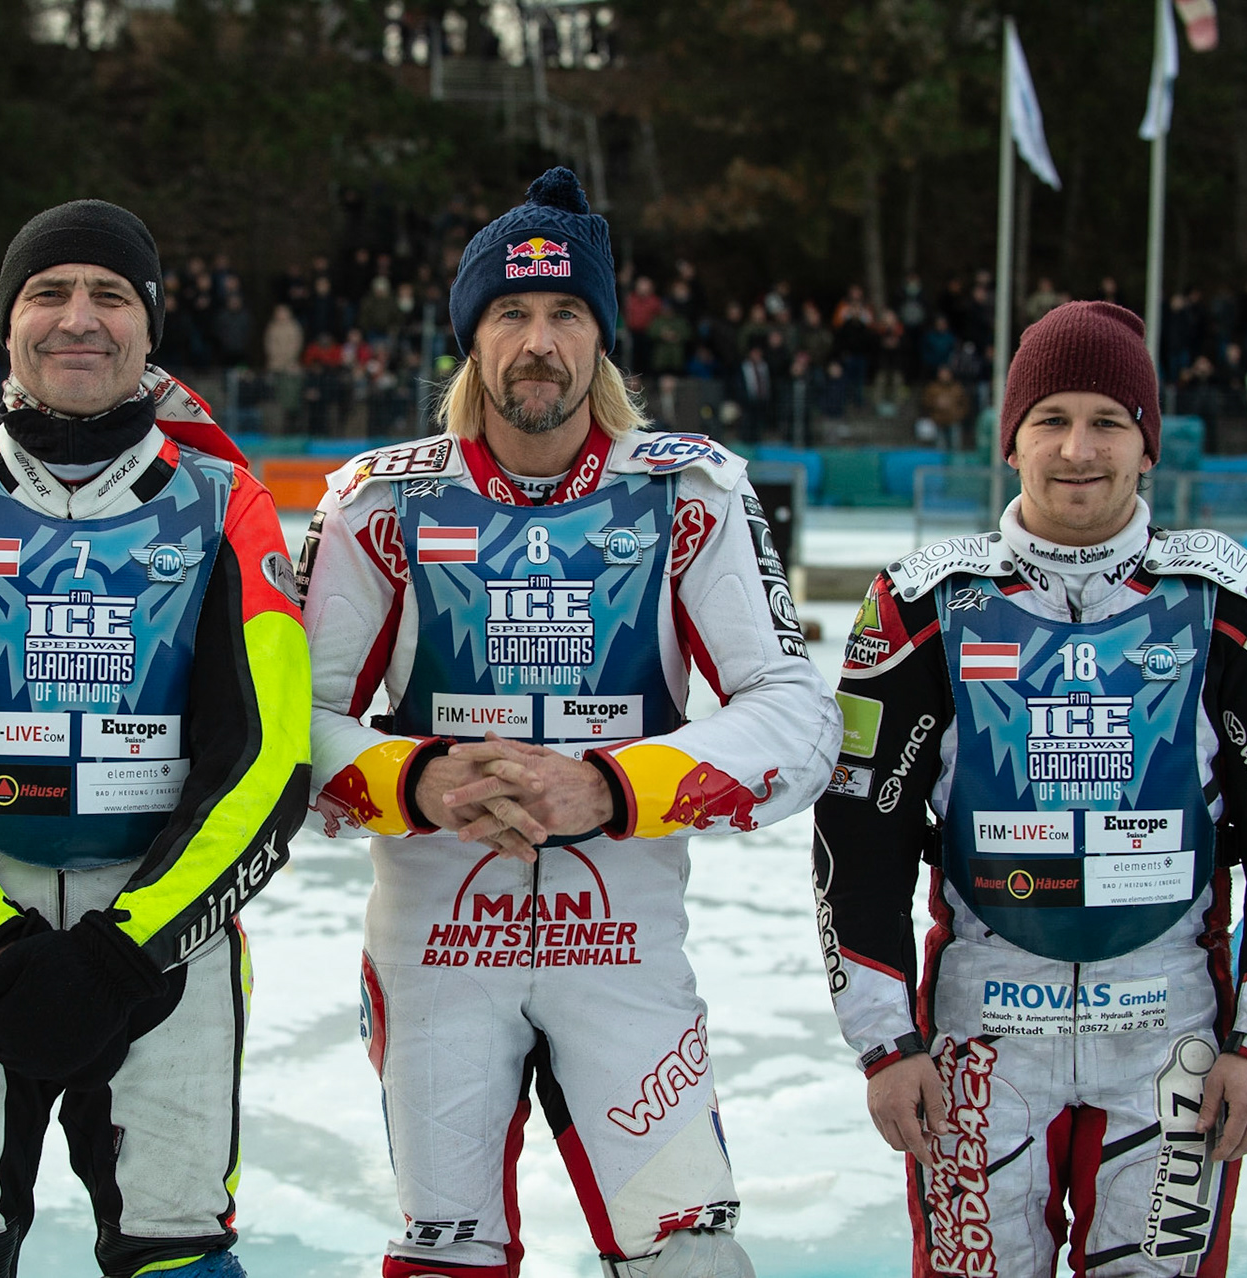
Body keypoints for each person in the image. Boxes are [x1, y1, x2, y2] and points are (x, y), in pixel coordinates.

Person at [298, 168, 840, 1278]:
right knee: (445, 1258)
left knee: (694, 1259)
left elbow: (799, 719)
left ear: (601, 340)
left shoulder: (691, 492)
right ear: (470, 339)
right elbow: (279, 726)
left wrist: (611, 786)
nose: (537, 342)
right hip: (436, 942)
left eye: (564, 314)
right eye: (510, 314)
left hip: (626, 944)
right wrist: (422, 779)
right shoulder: (378, 500)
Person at [0, 200, 311, 1278]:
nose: (77, 318)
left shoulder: (227, 503)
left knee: (176, 1248)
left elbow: (268, 763)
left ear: (151, 328)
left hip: (160, 934)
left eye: (110, 295)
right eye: (48, 292)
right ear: (6, 320)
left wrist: (131, 952)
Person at [813, 300, 1247, 1277]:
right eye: (1049, 419)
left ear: (1148, 445)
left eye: (1108, 420)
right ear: (1010, 442)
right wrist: (885, 1047)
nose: (1077, 448)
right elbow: (858, 837)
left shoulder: (1236, 603)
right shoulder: (922, 605)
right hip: (980, 1037)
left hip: (1173, 1038)